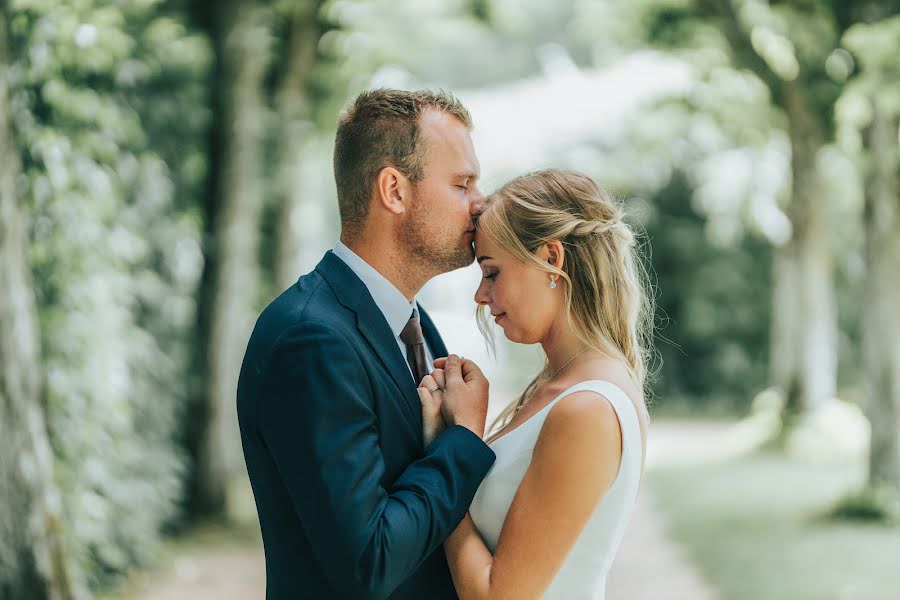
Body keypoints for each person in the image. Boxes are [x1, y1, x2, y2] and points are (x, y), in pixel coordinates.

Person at [236, 89, 497, 600]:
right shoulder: (310, 340)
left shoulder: (413, 323)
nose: (481, 202)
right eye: (462, 183)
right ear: (394, 191)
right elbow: (369, 562)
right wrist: (460, 442)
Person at [419, 169, 653, 600]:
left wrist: (451, 449)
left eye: (492, 273)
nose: (480, 296)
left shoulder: (587, 409)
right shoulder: (563, 387)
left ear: (551, 259)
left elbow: (497, 596)